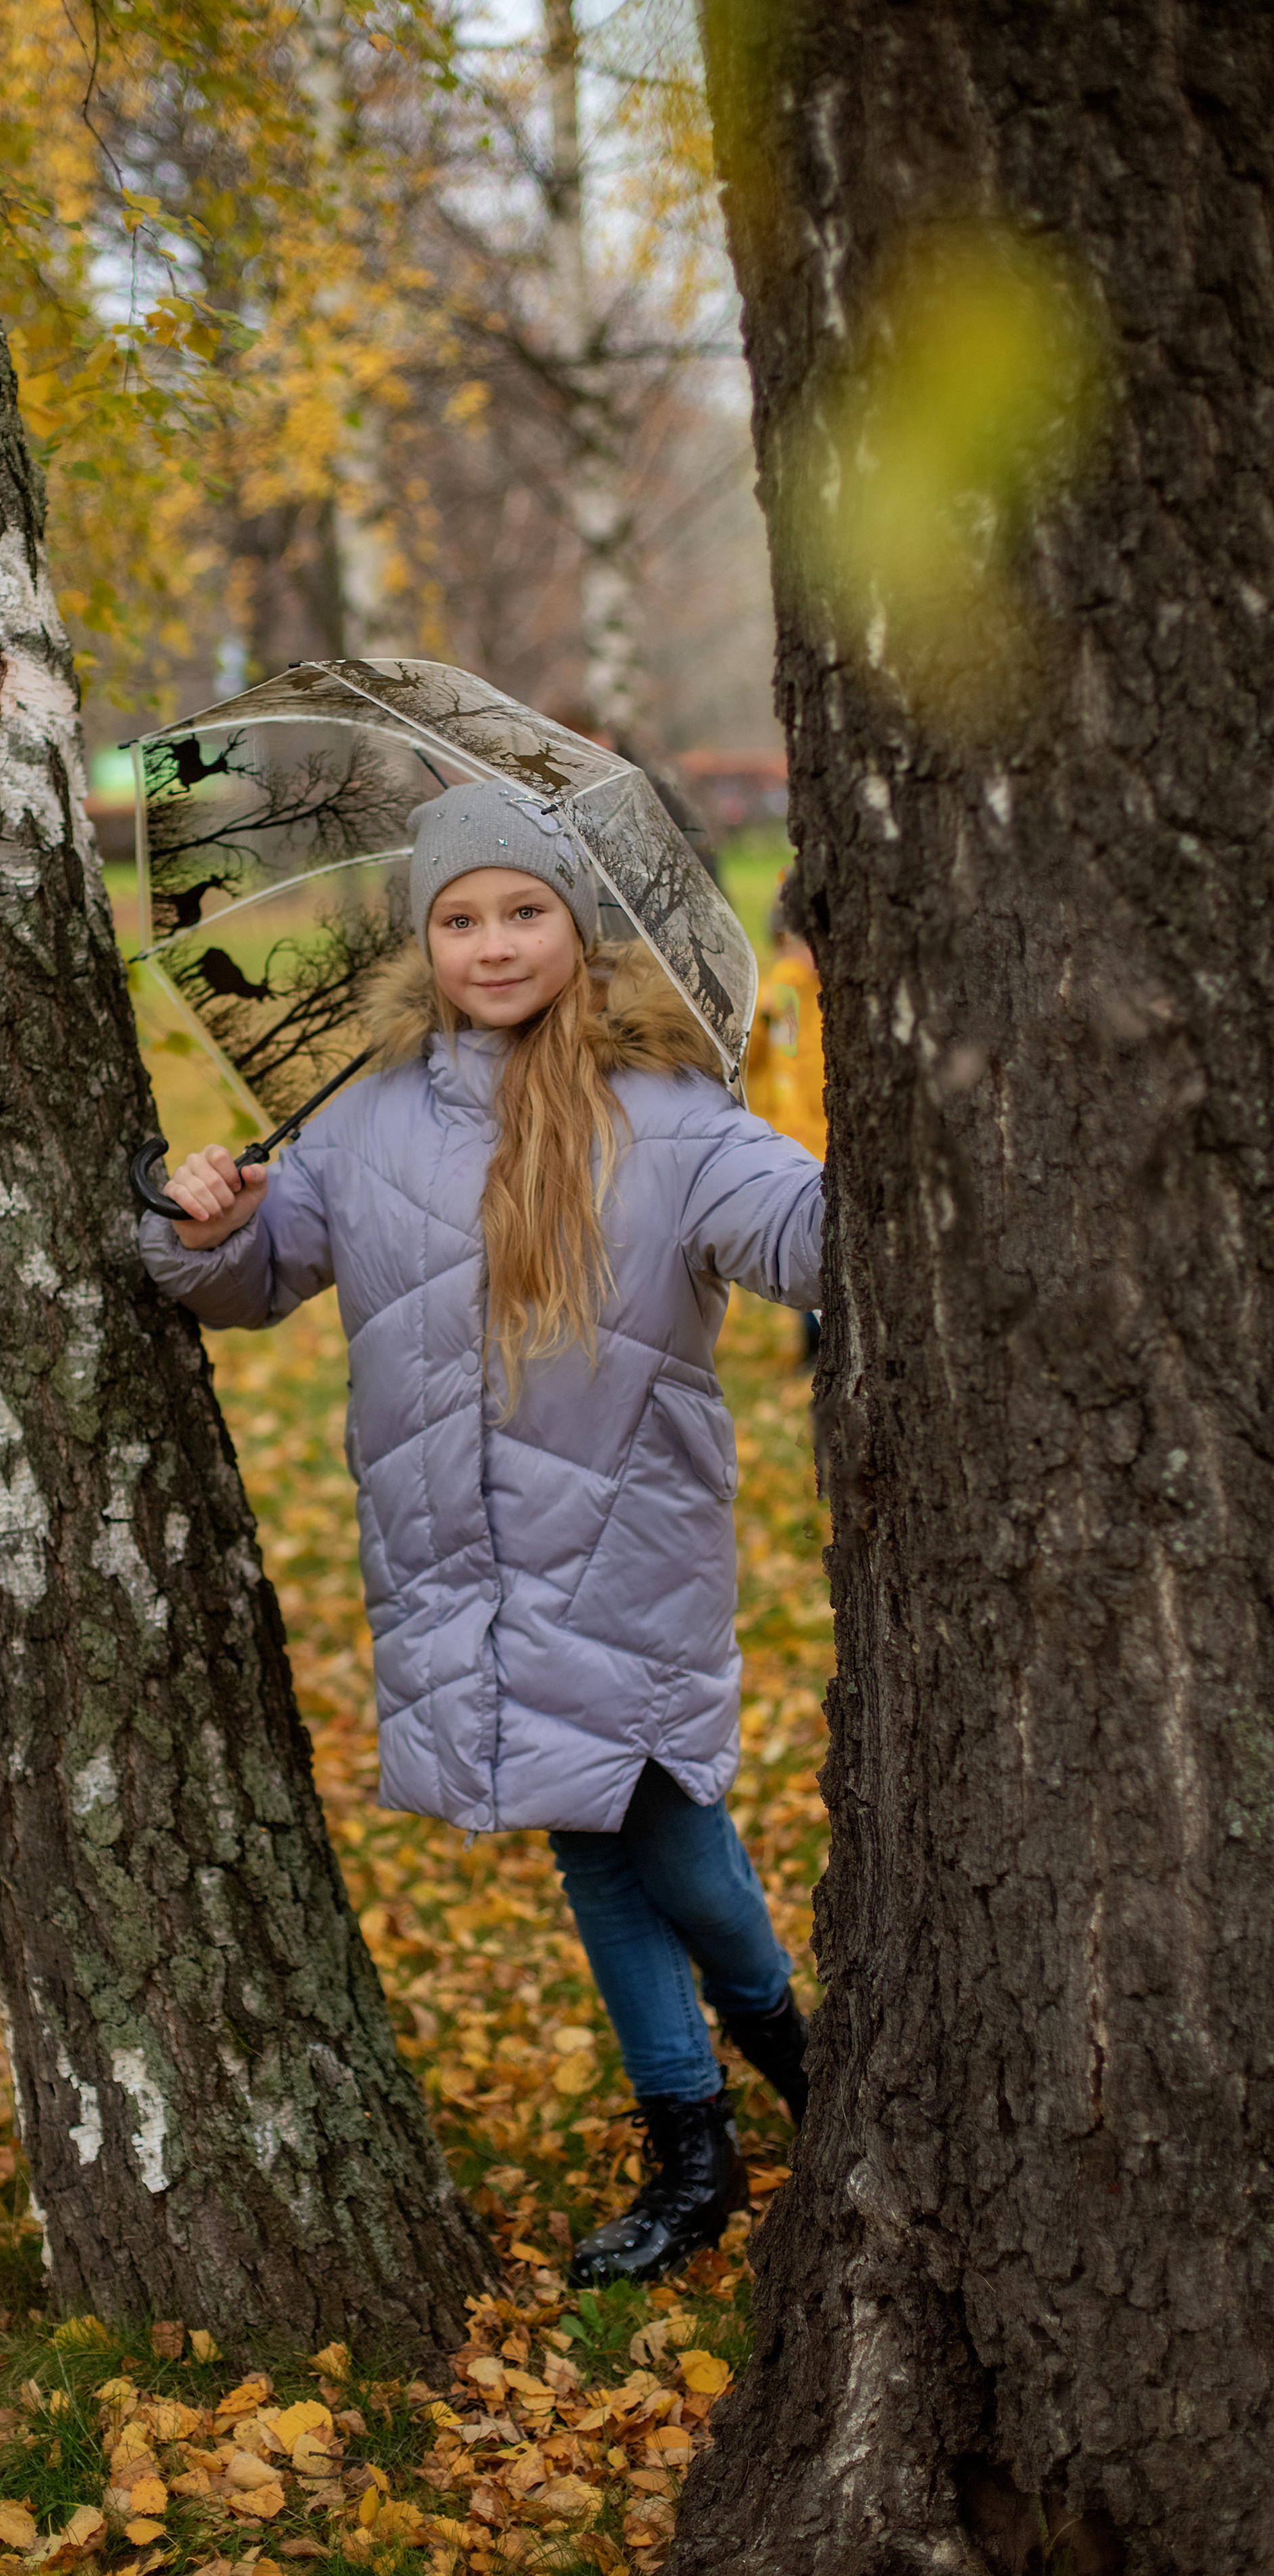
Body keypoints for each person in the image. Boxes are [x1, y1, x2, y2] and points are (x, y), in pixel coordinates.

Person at [138, 779, 823, 2287]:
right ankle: (690, 2142)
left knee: (672, 1832)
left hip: (623, 1539)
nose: (494, 944)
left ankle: (802, 2063)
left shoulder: (669, 1113)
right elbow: (259, 1273)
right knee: (590, 1839)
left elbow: (796, 1232)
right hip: (458, 1553)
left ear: (580, 926)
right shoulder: (360, 1118)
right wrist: (200, 1224)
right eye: (460, 918)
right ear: (421, 939)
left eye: (524, 911)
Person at [745, 894, 826, 1362]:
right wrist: (767, 1017)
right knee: (810, 1241)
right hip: (799, 1138)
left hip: (822, 1129)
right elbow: (780, 1059)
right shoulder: (787, 991)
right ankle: (814, 1338)